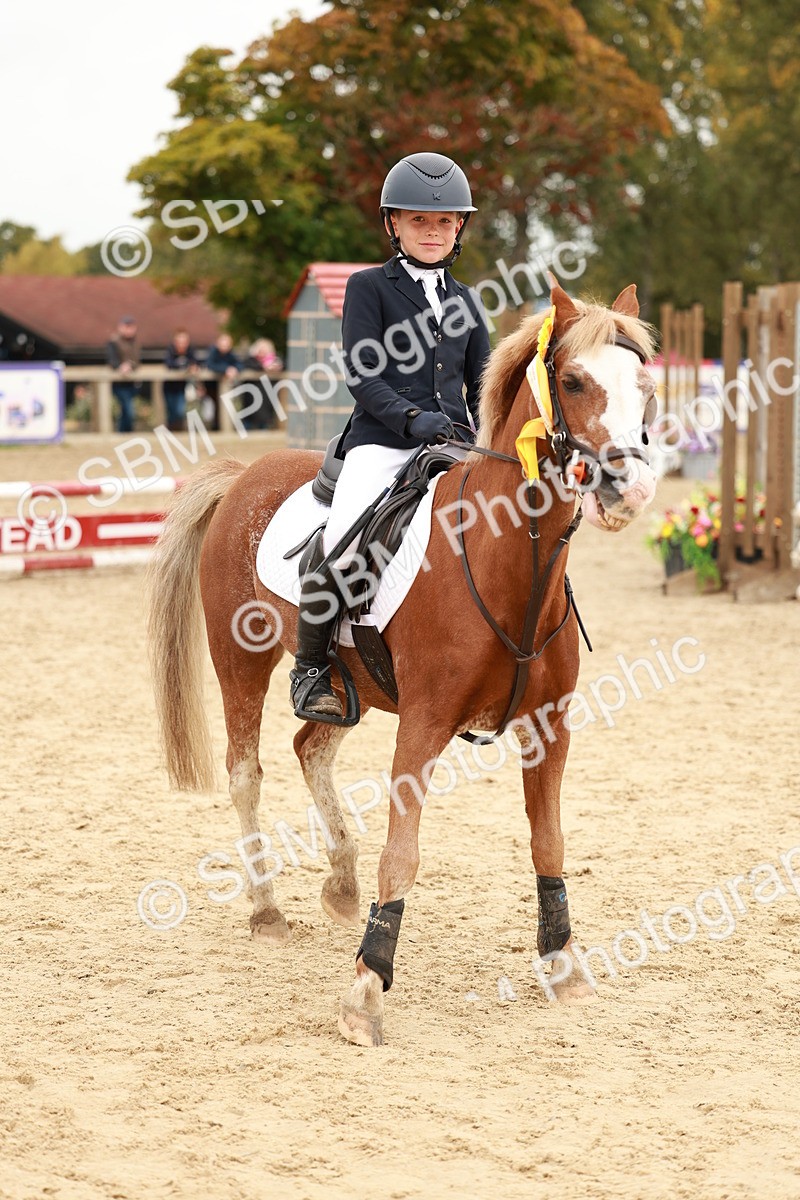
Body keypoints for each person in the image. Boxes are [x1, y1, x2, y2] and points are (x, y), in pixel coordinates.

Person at [289, 150, 491, 721]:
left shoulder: (467, 301)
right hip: (382, 441)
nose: (434, 232)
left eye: (445, 222)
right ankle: (310, 668)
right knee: (346, 539)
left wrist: (483, 435)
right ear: (393, 224)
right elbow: (362, 373)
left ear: (460, 229)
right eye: (419, 220)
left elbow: (483, 384)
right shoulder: (369, 287)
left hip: (453, 444)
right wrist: (410, 419)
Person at [106, 316, 140, 433]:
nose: (129, 330)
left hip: (131, 382)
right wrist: (121, 367)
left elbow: (136, 361)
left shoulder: (135, 343)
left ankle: (125, 433)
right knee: (127, 409)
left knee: (126, 410)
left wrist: (130, 365)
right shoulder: (113, 342)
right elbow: (112, 361)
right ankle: (123, 432)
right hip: (119, 382)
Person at [242, 338, 283, 430]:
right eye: (260, 349)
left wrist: (276, 367)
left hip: (267, 406)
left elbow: (284, 364)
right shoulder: (250, 361)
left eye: (265, 349)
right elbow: (246, 364)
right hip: (250, 406)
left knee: (265, 429)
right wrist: (263, 367)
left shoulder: (276, 361)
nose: (262, 352)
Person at [163, 329, 199, 431]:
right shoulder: (170, 350)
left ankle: (178, 430)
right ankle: (171, 432)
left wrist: (193, 367)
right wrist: (186, 366)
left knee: (179, 411)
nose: (182, 344)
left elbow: (196, 363)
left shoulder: (191, 351)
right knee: (171, 412)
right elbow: (169, 364)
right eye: (180, 341)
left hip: (181, 387)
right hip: (169, 386)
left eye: (185, 341)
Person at [203, 333, 241, 430]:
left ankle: (221, 427)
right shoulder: (213, 352)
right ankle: (215, 427)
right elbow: (210, 365)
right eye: (223, 344)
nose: (225, 347)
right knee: (213, 409)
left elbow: (240, 364)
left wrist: (234, 369)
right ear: (218, 343)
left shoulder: (231, 354)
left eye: (227, 345)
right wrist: (226, 369)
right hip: (211, 388)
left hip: (225, 388)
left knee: (224, 409)